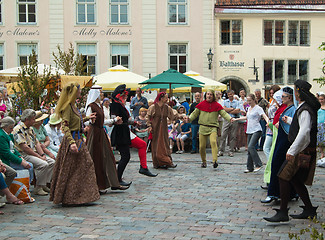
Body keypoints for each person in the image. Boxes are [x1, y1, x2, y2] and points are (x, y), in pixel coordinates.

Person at [264, 80, 320, 222]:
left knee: (283, 176)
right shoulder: (303, 107)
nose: (294, 92)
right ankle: (309, 209)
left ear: (298, 92)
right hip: (303, 149)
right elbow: (302, 125)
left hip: (302, 151)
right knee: (294, 179)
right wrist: (289, 120)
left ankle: (283, 212)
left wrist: (292, 150)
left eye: (295, 90)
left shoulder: (305, 109)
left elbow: (304, 131)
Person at [50, 82, 100, 205]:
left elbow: (77, 121)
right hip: (73, 141)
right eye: (79, 90)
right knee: (75, 168)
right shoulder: (68, 107)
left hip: (78, 140)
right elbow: (65, 126)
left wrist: (88, 118)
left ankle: (78, 196)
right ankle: (70, 197)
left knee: (81, 167)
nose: (80, 92)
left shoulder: (73, 106)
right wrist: (71, 142)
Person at [85, 86, 129, 193]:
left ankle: (114, 183)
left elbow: (103, 121)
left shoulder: (99, 106)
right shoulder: (91, 106)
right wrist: (91, 121)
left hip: (101, 133)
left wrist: (113, 120)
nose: (101, 94)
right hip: (94, 134)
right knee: (96, 158)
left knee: (108, 157)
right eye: (99, 93)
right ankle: (96, 185)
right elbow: (86, 122)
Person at [261, 87, 296, 203]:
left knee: (277, 165)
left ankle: (274, 193)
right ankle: (288, 192)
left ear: (289, 98)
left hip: (285, 140)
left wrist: (286, 121)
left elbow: (295, 124)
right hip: (281, 138)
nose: (281, 99)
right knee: (280, 165)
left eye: (283, 97)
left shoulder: (292, 109)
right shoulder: (285, 108)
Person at [13, 109, 55, 196]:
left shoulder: (30, 129)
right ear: (27, 119)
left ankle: (44, 184)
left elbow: (37, 143)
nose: (34, 121)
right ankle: (38, 187)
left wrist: (42, 154)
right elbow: (25, 148)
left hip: (33, 153)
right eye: (33, 119)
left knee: (51, 162)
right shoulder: (18, 129)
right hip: (24, 154)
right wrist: (39, 157)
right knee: (43, 164)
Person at [189, 89, 233, 168]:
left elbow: (223, 113)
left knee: (213, 142)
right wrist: (189, 119)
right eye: (208, 94)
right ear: (206, 95)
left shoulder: (217, 105)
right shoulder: (201, 105)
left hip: (213, 127)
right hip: (202, 127)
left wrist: (230, 118)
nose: (209, 96)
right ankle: (204, 161)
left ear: (213, 96)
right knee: (202, 146)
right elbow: (194, 114)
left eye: (210, 94)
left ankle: (215, 161)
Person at [235, 94, 269, 173]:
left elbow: (264, 115)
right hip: (249, 130)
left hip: (257, 130)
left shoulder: (258, 108)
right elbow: (246, 118)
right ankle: (250, 167)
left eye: (250, 100)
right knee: (249, 150)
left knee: (250, 146)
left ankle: (258, 164)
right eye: (248, 100)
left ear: (254, 100)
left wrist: (268, 122)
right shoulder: (249, 109)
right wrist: (236, 119)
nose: (248, 102)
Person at [146, 92, 179, 169]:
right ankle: (157, 163)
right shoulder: (153, 107)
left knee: (165, 144)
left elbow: (173, 116)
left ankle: (168, 162)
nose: (167, 99)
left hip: (164, 129)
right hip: (155, 128)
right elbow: (148, 117)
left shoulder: (167, 107)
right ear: (161, 98)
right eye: (166, 97)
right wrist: (149, 126)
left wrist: (179, 115)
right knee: (155, 145)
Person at [0, 117, 32, 185]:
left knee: (30, 165)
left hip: (11, 157)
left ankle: (26, 189)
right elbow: (7, 153)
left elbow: (13, 149)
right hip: (6, 160)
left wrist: (20, 157)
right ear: (5, 127)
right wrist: (21, 162)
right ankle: (6, 192)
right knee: (29, 167)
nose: (12, 130)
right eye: (10, 128)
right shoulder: (1, 136)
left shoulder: (8, 135)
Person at [219, 90, 240, 157]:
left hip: (234, 119)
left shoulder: (237, 102)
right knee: (223, 135)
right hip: (226, 119)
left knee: (233, 136)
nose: (230, 95)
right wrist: (232, 109)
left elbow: (237, 110)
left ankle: (231, 151)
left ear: (233, 94)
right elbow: (223, 110)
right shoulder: (225, 101)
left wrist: (228, 110)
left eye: (231, 94)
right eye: (228, 94)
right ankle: (221, 150)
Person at [317, 94, 325, 158]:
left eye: (322, 99)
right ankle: (322, 153)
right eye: (320, 99)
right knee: (319, 140)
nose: (321, 101)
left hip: (324, 124)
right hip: (319, 124)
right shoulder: (317, 107)